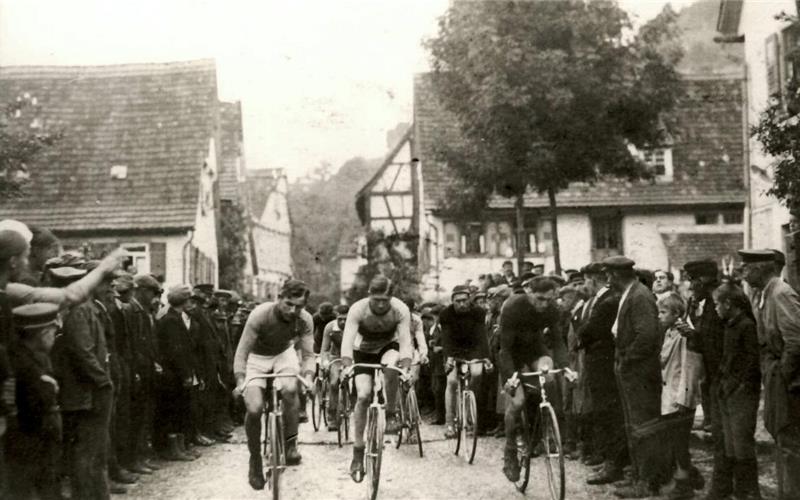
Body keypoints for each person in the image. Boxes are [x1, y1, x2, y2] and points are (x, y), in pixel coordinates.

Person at [232, 280, 315, 491]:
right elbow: (241, 353)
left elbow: (308, 355)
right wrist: (241, 380)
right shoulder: (260, 315)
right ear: (279, 297)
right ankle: (255, 460)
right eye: (288, 304)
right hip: (256, 357)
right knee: (254, 408)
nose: (292, 310)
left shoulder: (305, 320)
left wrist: (309, 377)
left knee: (290, 389)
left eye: (299, 306)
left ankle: (290, 443)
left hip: (282, 354)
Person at [739, 249, 800, 499]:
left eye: (746, 267)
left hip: (787, 378)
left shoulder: (781, 293)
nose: (743, 272)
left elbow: (795, 340)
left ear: (760, 269)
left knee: (789, 441)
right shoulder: (764, 293)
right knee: (782, 439)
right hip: (776, 373)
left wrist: (783, 376)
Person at [51, 262, 114, 500]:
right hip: (87, 394)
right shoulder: (80, 311)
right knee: (87, 453)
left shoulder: (86, 309)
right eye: (104, 283)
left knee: (95, 452)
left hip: (89, 391)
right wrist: (103, 381)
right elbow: (83, 352)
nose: (108, 288)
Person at [603, 255, 664, 498]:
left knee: (644, 427)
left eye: (608, 275)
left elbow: (646, 336)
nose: (607, 279)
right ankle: (639, 476)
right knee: (634, 426)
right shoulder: (631, 293)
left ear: (617, 275)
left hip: (639, 372)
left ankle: (648, 482)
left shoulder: (639, 296)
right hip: (631, 372)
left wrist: (626, 359)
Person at [340, 276, 412, 480]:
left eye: (385, 300)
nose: (381, 304)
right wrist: (347, 366)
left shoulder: (400, 309)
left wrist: (405, 368)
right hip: (362, 350)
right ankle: (357, 448)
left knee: (391, 367)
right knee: (363, 396)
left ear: (391, 298)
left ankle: (390, 413)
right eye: (376, 299)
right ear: (369, 295)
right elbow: (347, 342)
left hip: (389, 347)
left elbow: (405, 342)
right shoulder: (358, 309)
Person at [498, 276, 567, 482]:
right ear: (529, 292)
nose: (543, 304)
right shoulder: (512, 306)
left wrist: (567, 367)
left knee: (549, 377)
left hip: (535, 351)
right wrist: (511, 377)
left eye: (548, 299)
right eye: (539, 299)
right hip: (510, 353)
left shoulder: (551, 309)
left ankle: (543, 429)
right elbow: (505, 349)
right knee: (517, 400)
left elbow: (558, 341)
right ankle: (510, 450)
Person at [5, 303, 61, 500]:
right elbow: (36, 398)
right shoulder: (24, 363)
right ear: (43, 333)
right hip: (29, 438)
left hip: (33, 437)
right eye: (53, 332)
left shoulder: (29, 355)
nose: (54, 338)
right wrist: (47, 387)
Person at [712, 283, 762, 499]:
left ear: (728, 304)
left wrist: (736, 384)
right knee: (731, 443)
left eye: (717, 304)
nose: (715, 309)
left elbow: (751, 361)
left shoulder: (746, 325)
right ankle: (737, 489)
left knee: (741, 442)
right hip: (728, 390)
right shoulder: (730, 325)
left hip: (741, 392)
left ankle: (749, 491)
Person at [683, 259, 728, 498]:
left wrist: (694, 335)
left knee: (724, 436)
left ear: (702, 280)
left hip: (723, 377)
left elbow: (718, 344)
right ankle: (722, 487)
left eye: (692, 280)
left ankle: (723, 488)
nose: (690, 286)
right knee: (720, 435)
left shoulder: (717, 301)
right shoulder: (706, 303)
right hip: (714, 378)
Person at [579, 263, 627, 484]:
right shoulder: (602, 299)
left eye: (585, 281)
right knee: (603, 412)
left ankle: (614, 463)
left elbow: (591, 329)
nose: (584, 285)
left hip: (604, 363)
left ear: (593, 279)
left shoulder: (608, 300)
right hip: (598, 362)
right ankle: (610, 458)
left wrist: (582, 335)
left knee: (608, 413)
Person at [657, 293, 703, 500]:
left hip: (679, 396)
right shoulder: (669, 333)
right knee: (674, 441)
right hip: (668, 395)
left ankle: (685, 485)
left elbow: (690, 367)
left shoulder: (685, 335)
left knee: (680, 442)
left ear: (677, 314)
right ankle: (685, 477)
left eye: (663, 312)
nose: (659, 315)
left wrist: (685, 397)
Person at [439, 285, 492, 439]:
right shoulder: (445, 314)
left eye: (464, 300)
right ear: (452, 301)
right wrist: (449, 357)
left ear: (469, 300)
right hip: (453, 350)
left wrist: (486, 357)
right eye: (458, 301)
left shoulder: (478, 312)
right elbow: (446, 339)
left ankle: (470, 406)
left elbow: (482, 337)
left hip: (473, 349)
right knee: (452, 381)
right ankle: (450, 422)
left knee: (477, 373)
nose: (462, 304)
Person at [320, 304, 348, 430]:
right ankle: (331, 416)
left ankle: (351, 407)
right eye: (340, 319)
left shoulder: (357, 326)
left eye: (345, 319)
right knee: (333, 383)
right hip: (335, 357)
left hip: (351, 357)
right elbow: (324, 349)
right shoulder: (330, 327)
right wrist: (325, 362)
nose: (342, 322)